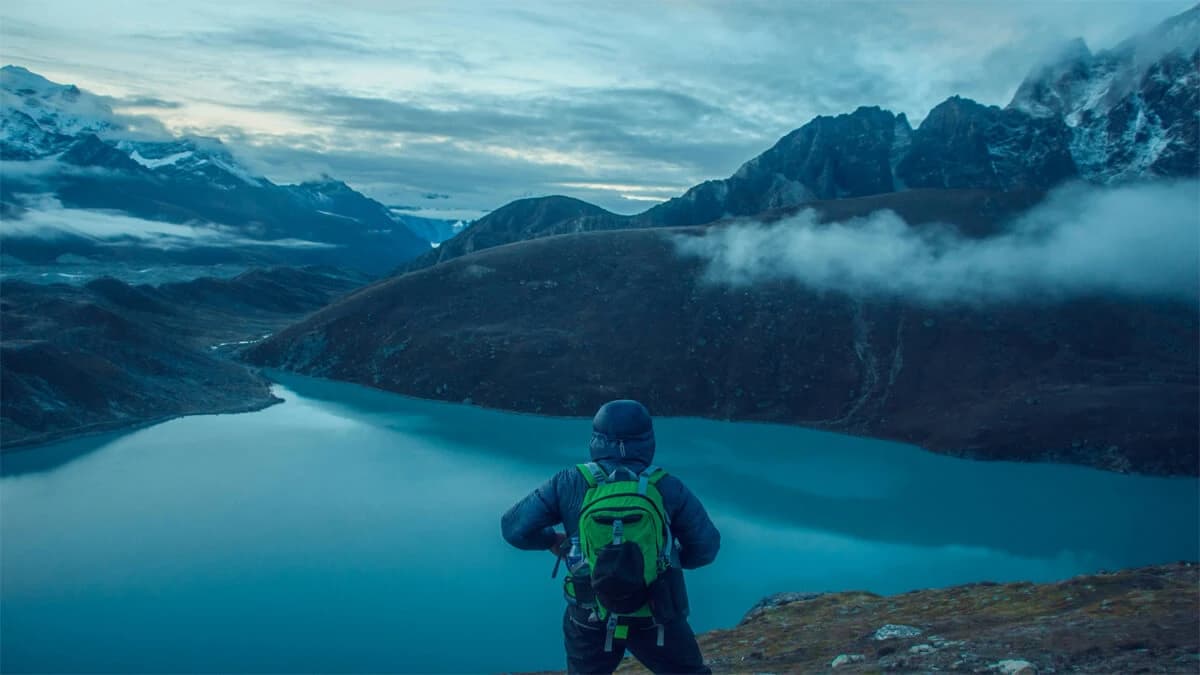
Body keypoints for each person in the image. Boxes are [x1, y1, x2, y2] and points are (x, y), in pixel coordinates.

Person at [501, 399, 721, 674]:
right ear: (648, 439)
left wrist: (551, 541)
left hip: (589, 610)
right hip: (656, 608)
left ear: (596, 438)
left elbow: (513, 529)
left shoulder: (569, 482)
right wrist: (670, 558)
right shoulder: (667, 486)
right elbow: (706, 547)